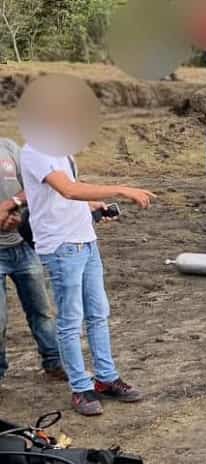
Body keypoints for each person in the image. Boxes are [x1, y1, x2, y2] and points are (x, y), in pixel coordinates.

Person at [19, 141, 155, 416]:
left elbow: (69, 190)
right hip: (62, 246)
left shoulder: (60, 150)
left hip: (85, 241)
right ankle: (80, 387)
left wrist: (94, 205)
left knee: (98, 313)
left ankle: (106, 378)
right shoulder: (35, 151)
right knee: (71, 319)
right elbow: (67, 190)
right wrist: (122, 189)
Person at [0, 138, 64, 383]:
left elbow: (33, 186)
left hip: (24, 247)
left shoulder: (8, 148)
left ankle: (54, 361)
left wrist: (14, 208)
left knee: (42, 310)